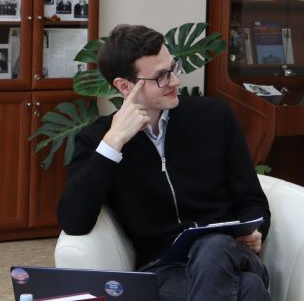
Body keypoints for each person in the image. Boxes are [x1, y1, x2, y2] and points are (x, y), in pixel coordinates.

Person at [58, 24, 271, 301]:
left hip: (231, 254)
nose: (175, 81)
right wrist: (113, 143)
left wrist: (256, 231)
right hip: (164, 270)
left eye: (173, 68)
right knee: (249, 289)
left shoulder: (214, 117)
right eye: (161, 76)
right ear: (124, 86)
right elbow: (74, 221)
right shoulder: (98, 140)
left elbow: (252, 199)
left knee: (213, 246)